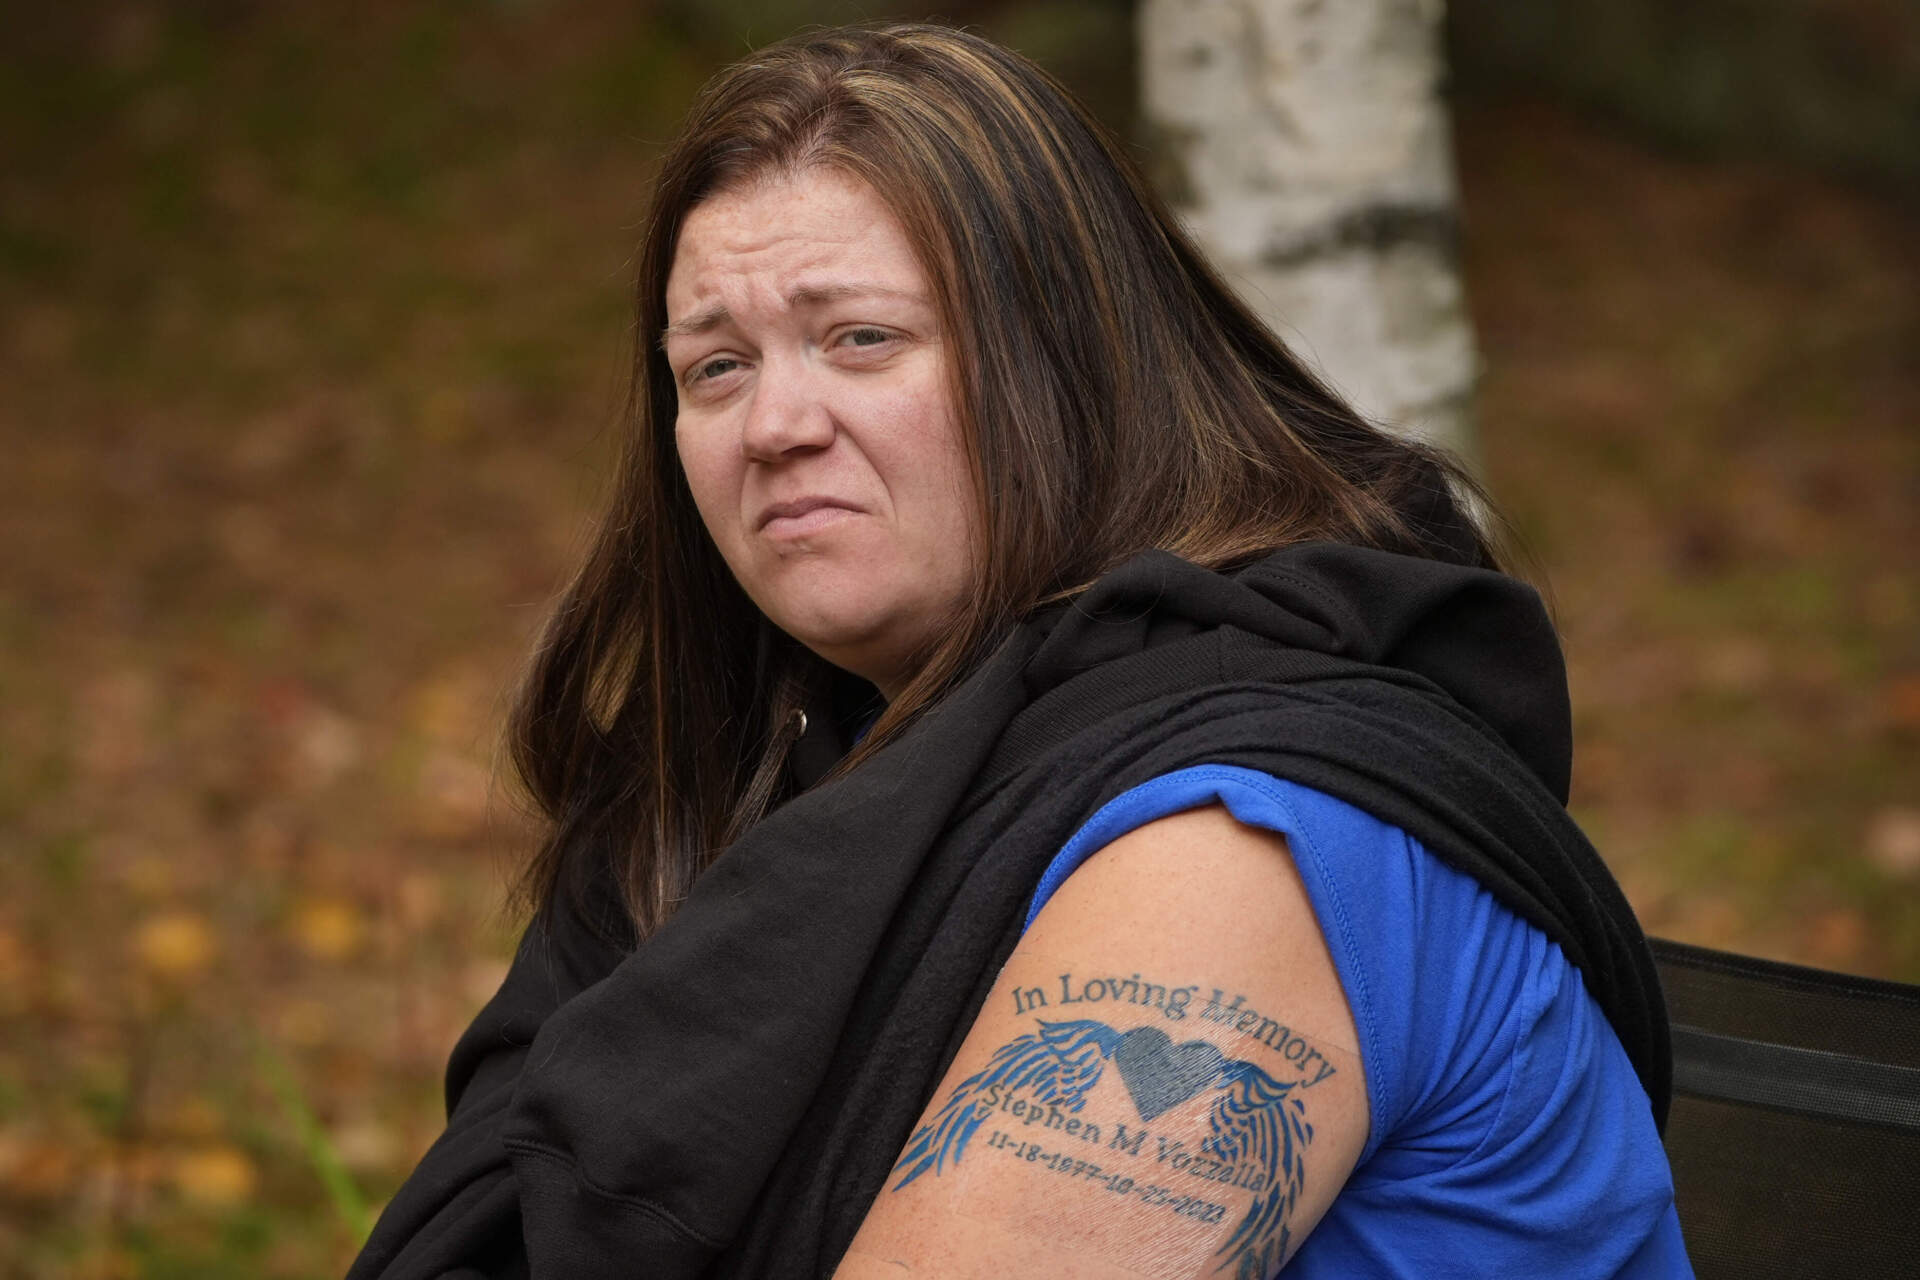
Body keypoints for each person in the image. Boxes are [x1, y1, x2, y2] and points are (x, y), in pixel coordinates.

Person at [349, 22, 1690, 1280]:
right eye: (715, 368)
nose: (774, 425)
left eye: (859, 339)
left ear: (1071, 366)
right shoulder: (790, 803)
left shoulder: (1246, 833)